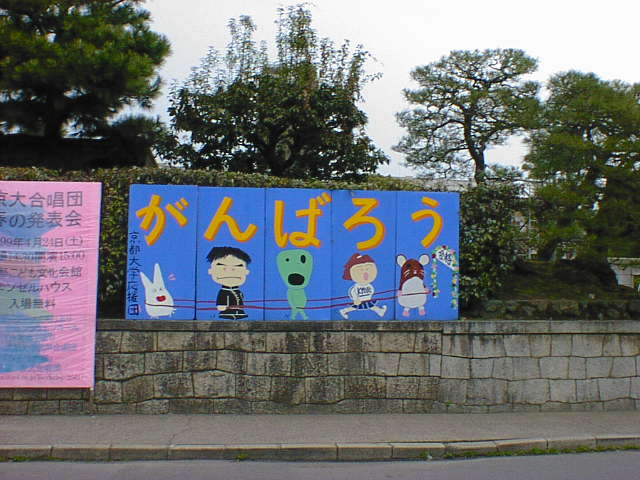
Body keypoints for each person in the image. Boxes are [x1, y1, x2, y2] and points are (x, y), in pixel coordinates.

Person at [206, 246, 251, 320]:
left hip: (240, 313)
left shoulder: (238, 291)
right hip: (227, 313)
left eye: (238, 267)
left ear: (247, 272)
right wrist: (222, 306)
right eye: (223, 268)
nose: (230, 271)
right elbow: (221, 304)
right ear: (210, 271)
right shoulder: (224, 292)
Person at [339, 253, 387, 319]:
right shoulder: (356, 287)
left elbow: (371, 290)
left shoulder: (369, 285)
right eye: (361, 269)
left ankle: (380, 311)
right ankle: (344, 311)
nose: (365, 272)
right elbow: (352, 292)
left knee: (370, 306)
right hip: (360, 300)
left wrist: (369, 295)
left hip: (367, 299)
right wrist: (356, 299)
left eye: (368, 269)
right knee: (359, 307)